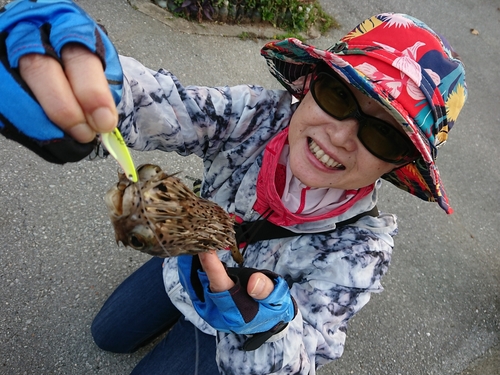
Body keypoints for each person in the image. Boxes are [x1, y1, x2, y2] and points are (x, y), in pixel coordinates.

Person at [0, 1, 467, 374]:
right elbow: (171, 106)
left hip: (229, 330)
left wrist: (265, 329)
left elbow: (306, 352)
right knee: (106, 334)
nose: (342, 135)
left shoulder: (361, 252)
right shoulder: (255, 119)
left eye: (384, 133)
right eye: (339, 95)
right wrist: (95, 86)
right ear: (309, 85)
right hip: (179, 266)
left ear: (398, 164)